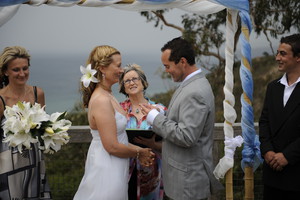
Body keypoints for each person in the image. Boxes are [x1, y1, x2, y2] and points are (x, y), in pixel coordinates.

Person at [139, 37, 223, 200]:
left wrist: (154, 118)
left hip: (187, 184)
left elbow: (186, 136)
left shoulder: (195, 92)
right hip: (181, 180)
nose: (166, 70)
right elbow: (183, 121)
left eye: (167, 66)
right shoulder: (191, 84)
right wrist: (162, 114)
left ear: (182, 61)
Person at [73, 45, 154, 200]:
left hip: (115, 166)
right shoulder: (101, 100)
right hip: (106, 169)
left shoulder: (108, 95)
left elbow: (119, 138)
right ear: (103, 68)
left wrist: (141, 151)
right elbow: (111, 146)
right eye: (118, 65)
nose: (122, 70)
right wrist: (139, 152)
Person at [0, 46, 52, 199]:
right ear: (5, 72)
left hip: (35, 158)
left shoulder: (38, 93)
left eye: (25, 68)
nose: (22, 74)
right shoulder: (1, 99)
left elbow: (43, 126)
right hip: (7, 162)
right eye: (16, 70)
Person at [259, 33, 300, 200]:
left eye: (283, 53)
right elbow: (264, 121)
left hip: (297, 174)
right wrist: (267, 151)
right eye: (277, 53)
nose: (277, 58)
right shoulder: (273, 87)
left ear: (298, 57)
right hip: (272, 175)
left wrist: (287, 156)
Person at [119, 64, 167, 200]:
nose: (132, 82)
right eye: (127, 81)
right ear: (123, 87)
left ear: (143, 82)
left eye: (135, 78)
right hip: (124, 169)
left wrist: (154, 144)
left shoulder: (160, 110)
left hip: (152, 173)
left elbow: (171, 141)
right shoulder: (118, 110)